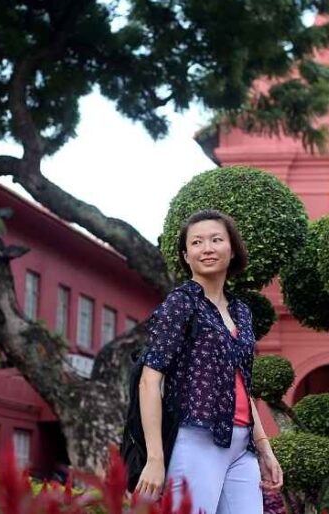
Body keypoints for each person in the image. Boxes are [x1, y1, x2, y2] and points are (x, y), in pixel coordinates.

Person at [135, 209, 284, 513]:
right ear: (186, 255)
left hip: (242, 447)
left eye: (216, 240)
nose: (207, 248)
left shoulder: (242, 311)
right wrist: (155, 458)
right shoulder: (181, 303)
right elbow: (150, 379)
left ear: (232, 249)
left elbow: (240, 384)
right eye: (197, 242)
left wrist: (265, 448)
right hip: (197, 438)